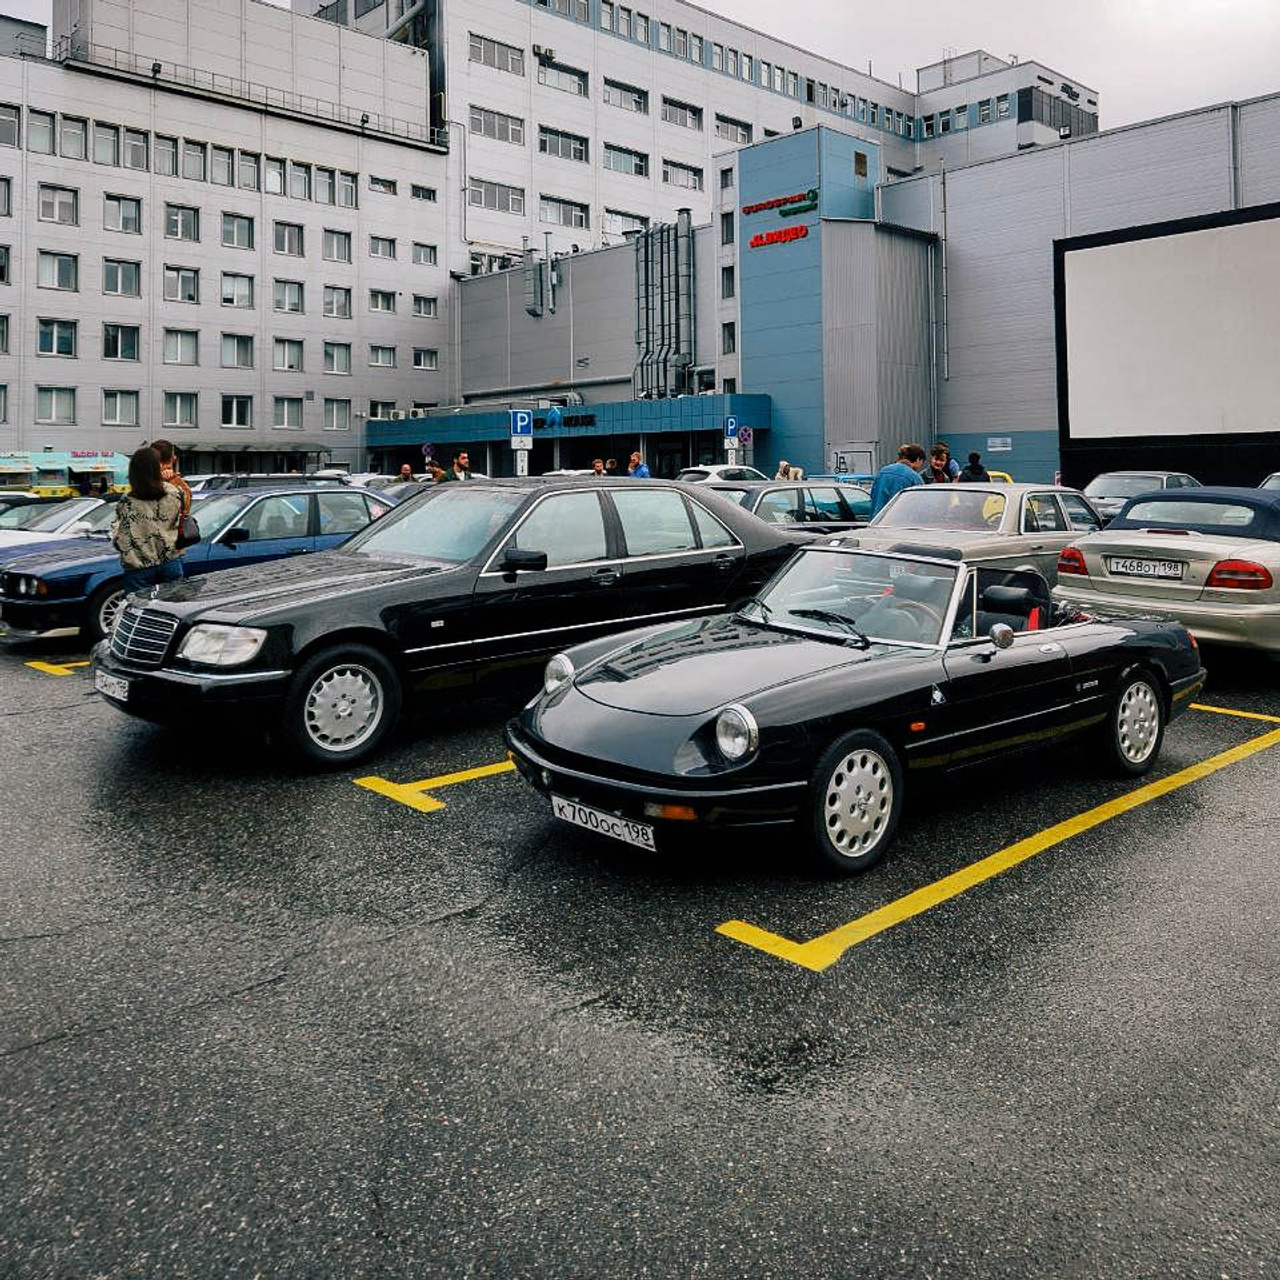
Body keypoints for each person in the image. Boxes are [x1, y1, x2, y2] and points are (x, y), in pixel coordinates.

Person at [112, 446, 185, 594]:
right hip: (170, 560)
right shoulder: (174, 493)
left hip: (139, 565)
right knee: (172, 608)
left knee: (140, 610)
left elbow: (120, 537)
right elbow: (181, 518)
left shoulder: (128, 501)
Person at [869, 444, 926, 516]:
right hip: (899, 523)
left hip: (877, 521)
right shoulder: (914, 477)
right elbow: (920, 505)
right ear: (918, 459)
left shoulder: (882, 472)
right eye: (922, 462)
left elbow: (873, 495)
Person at [151, 439, 192, 515]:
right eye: (173, 455)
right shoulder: (177, 483)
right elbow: (185, 509)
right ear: (172, 458)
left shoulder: (142, 480)